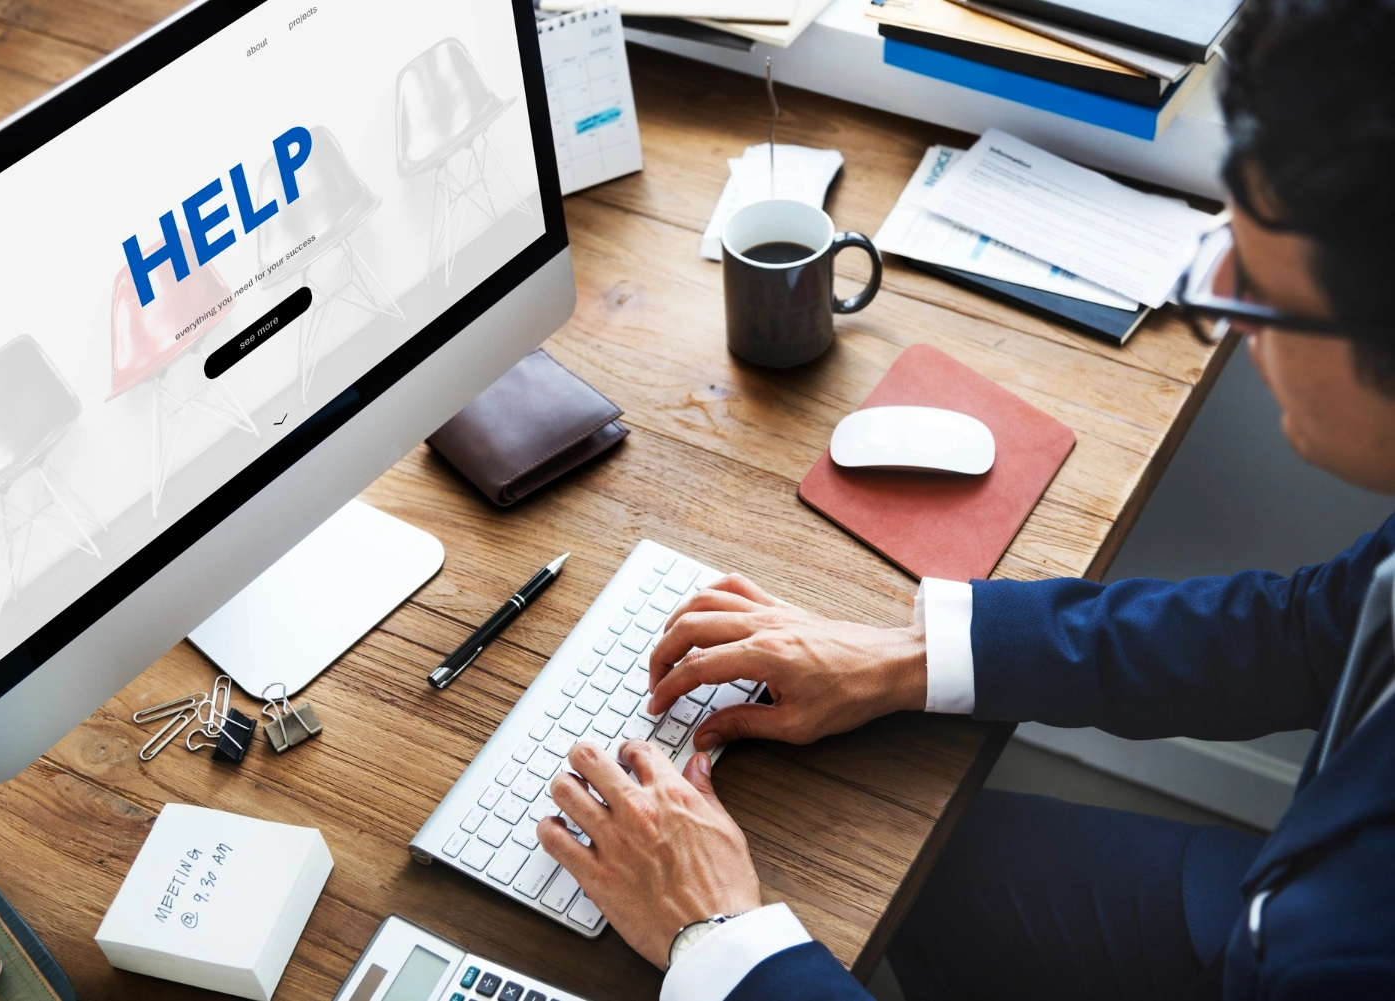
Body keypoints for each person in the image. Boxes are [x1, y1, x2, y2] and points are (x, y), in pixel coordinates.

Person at [533, 0, 1395, 997]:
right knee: (910, 867)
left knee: (829, 887)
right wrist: (908, 657)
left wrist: (718, 934)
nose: (1230, 322)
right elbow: (1305, 632)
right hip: (1269, 897)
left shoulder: (1350, 958)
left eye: (1257, 291)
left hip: (1283, 945)